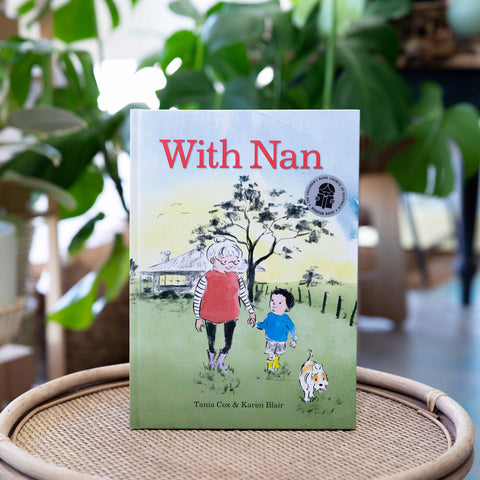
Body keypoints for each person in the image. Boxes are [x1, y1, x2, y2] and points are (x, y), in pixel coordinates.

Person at [193, 237, 256, 372]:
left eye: (234, 262)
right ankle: (211, 360)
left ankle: (221, 360)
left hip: (230, 314)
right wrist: (198, 317)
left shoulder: (237, 277)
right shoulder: (206, 278)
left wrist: (251, 312)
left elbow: (243, 295)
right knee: (212, 341)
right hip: (210, 315)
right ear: (213, 261)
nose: (229, 265)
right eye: (225, 262)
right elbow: (197, 298)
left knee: (228, 342)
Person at [256, 288, 297, 371]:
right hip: (270, 340)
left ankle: (276, 363)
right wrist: (256, 323)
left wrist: (294, 339)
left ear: (287, 306)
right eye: (272, 301)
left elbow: (292, 329)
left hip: (281, 341)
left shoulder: (286, 318)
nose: (274, 304)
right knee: (270, 353)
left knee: (277, 353)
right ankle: (270, 366)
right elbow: (264, 325)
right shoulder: (270, 316)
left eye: (280, 302)